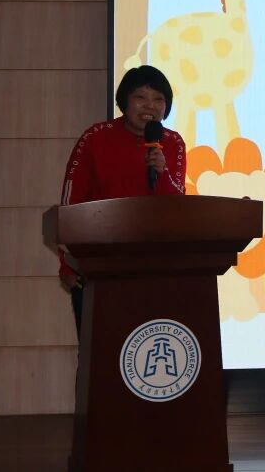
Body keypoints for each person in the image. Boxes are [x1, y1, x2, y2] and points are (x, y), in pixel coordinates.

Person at [58, 65, 187, 337]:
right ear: (124, 101)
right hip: (97, 266)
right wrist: (67, 263)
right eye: (141, 97)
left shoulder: (172, 142)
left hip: (156, 268)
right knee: (99, 350)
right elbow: (71, 203)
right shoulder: (95, 137)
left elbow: (177, 205)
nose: (150, 106)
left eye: (159, 99)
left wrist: (162, 171)